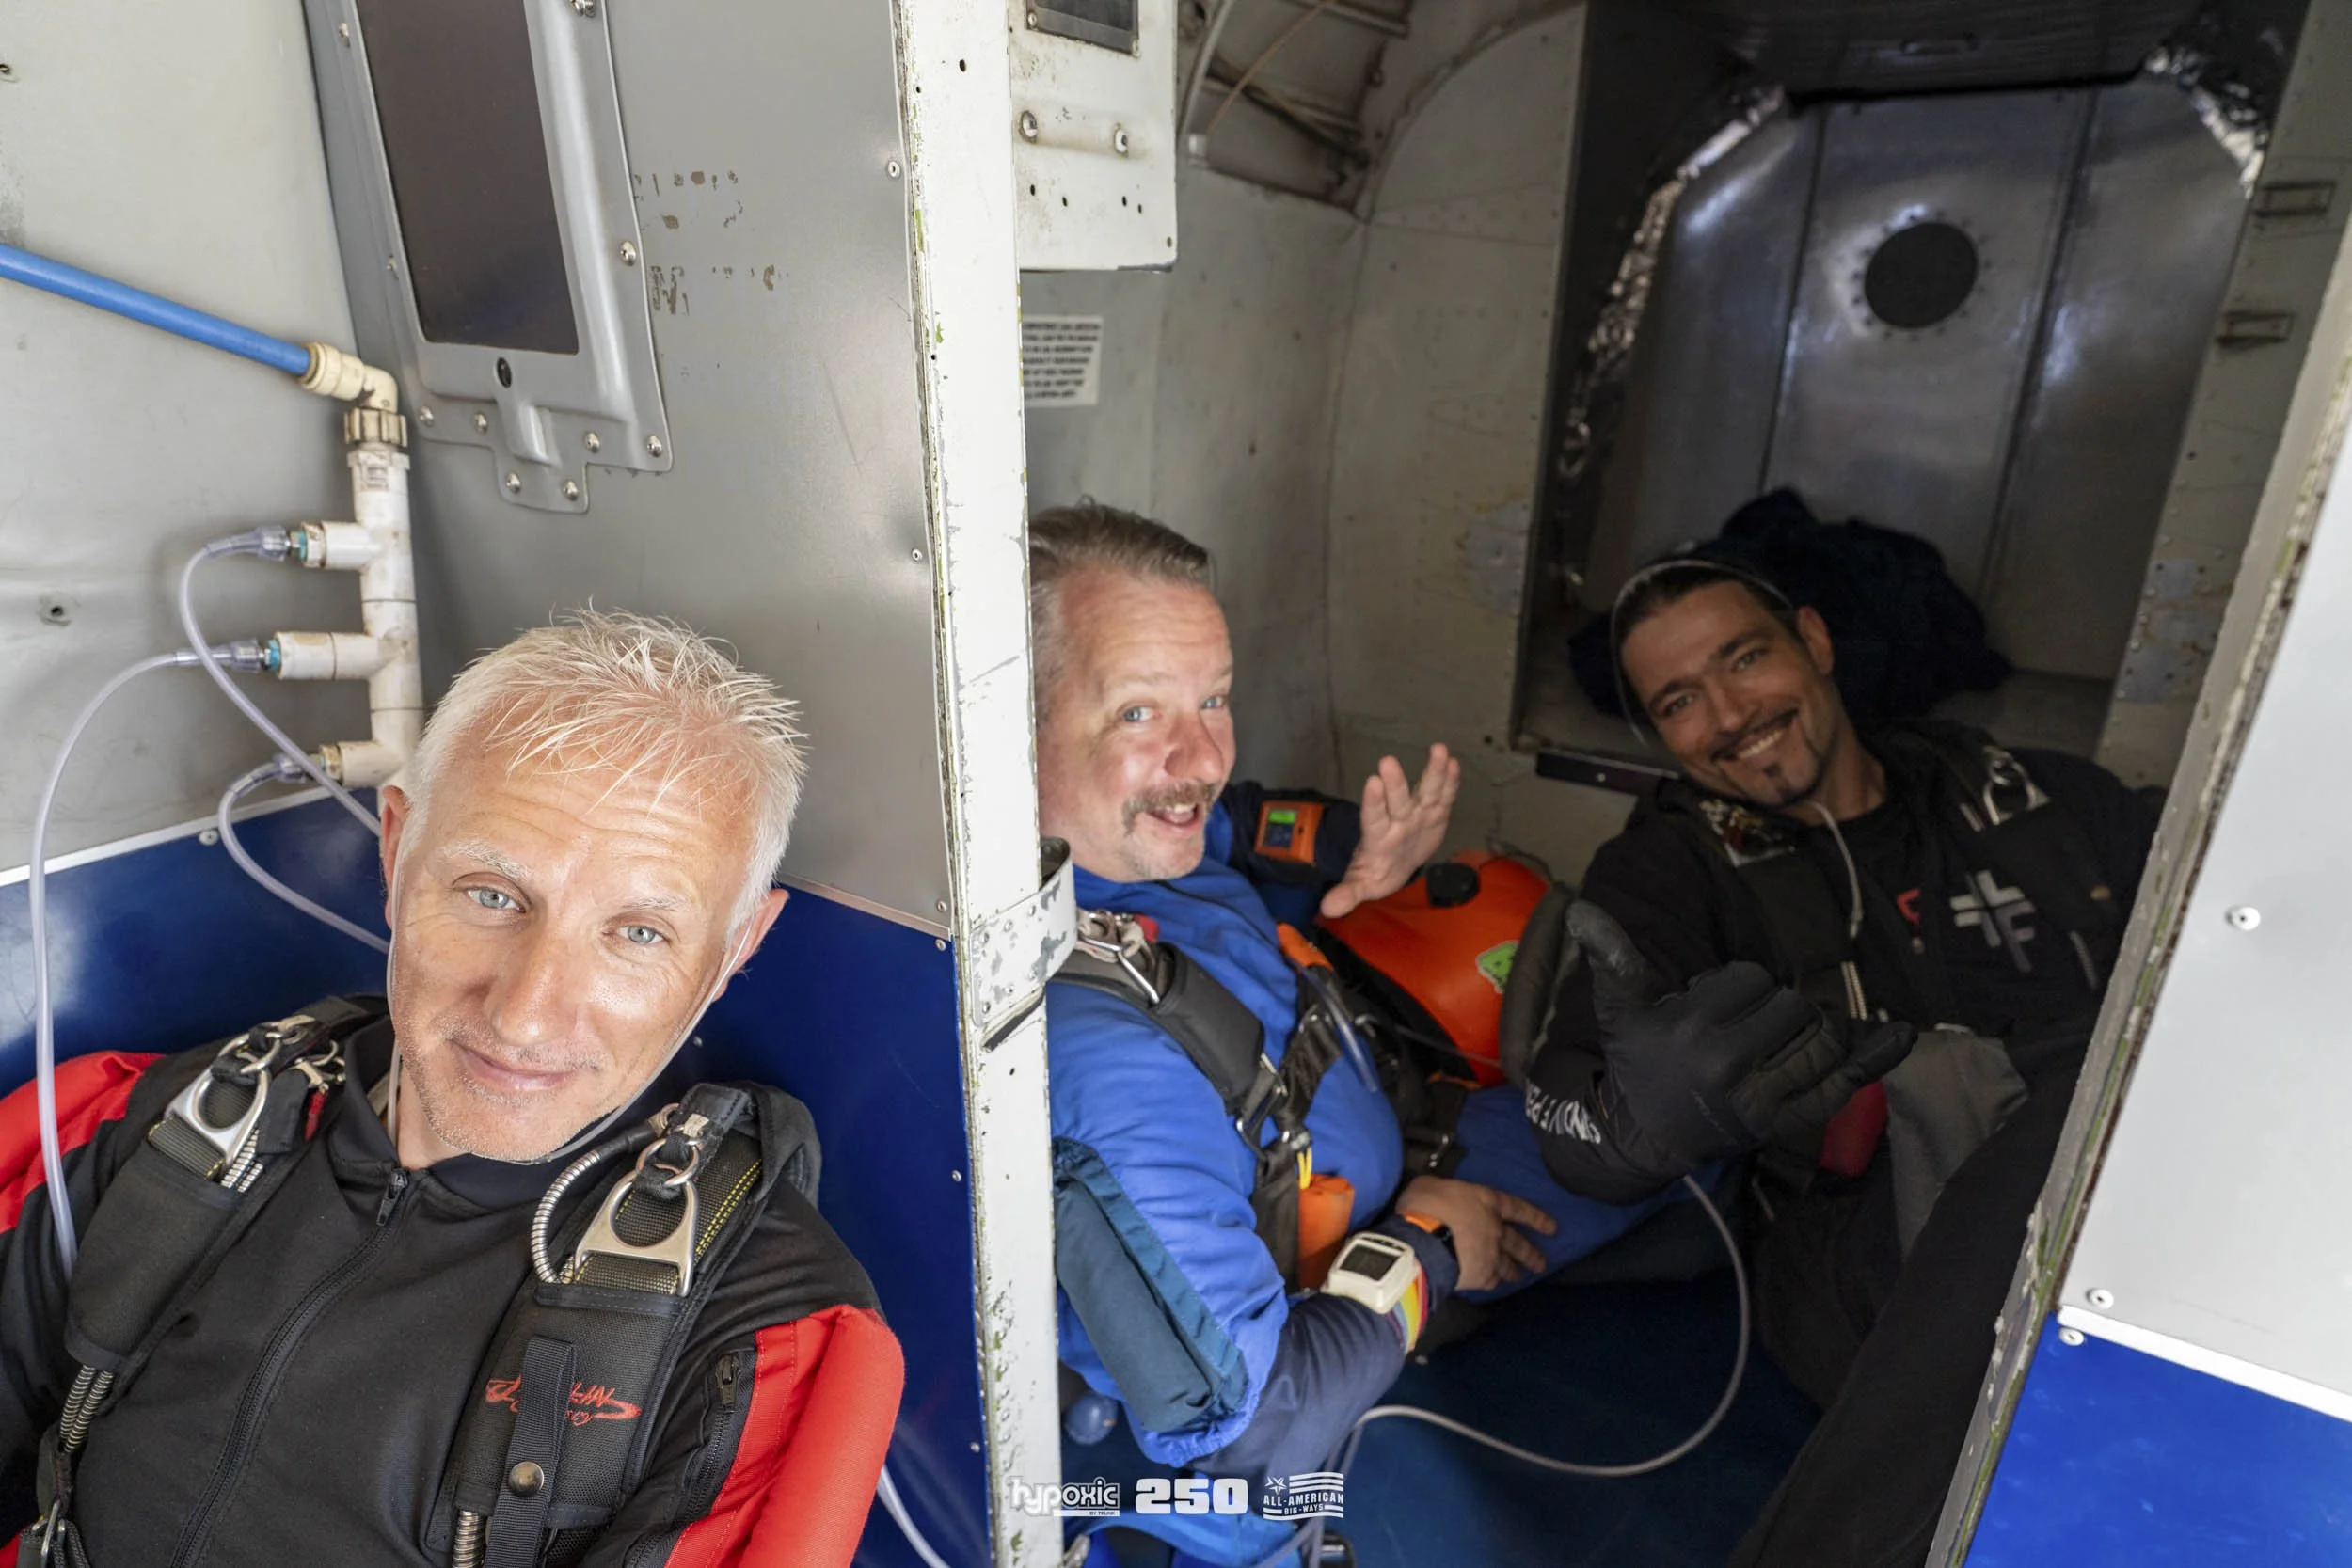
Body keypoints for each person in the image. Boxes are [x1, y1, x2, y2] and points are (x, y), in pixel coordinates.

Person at [0, 611, 903, 1567]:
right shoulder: (174, 1132)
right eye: (492, 895)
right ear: (395, 855)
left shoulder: (760, 1337)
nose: (524, 1015)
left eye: (638, 931)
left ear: (735, 948)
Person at [1032, 502, 1662, 1567]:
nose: (1201, 757)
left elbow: (1247, 816)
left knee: (1659, 1121)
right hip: (1329, 1318)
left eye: (1214, 697)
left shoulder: (1122, 839)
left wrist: (1351, 845)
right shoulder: (1107, 1069)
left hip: (1394, 1145)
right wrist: (1421, 1245)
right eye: (1140, 710)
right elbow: (1260, 1443)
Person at [1520, 558, 2157, 1566]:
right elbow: (1563, 1111)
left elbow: (2236, 895)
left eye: (1745, 659)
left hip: (2126, 1192)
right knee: (2070, 1129)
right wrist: (1640, 1122)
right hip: (1858, 1237)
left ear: (1813, 642)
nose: (1730, 714)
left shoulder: (2032, 795)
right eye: (1680, 701)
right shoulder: (1671, 871)